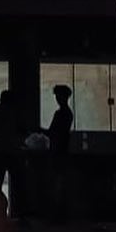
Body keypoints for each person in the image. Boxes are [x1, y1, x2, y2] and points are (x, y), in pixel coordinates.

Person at [47, 84, 74, 222]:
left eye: (59, 96)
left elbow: (53, 132)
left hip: (58, 151)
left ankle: (58, 215)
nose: (57, 99)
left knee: (57, 184)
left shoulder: (61, 114)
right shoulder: (68, 114)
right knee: (59, 183)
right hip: (61, 151)